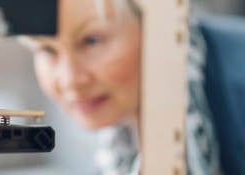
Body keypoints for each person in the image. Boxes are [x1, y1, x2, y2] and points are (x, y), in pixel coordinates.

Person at [19, 0, 222, 174]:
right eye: (47, 49)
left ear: (155, 26)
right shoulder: (113, 147)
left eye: (91, 41)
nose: (70, 80)